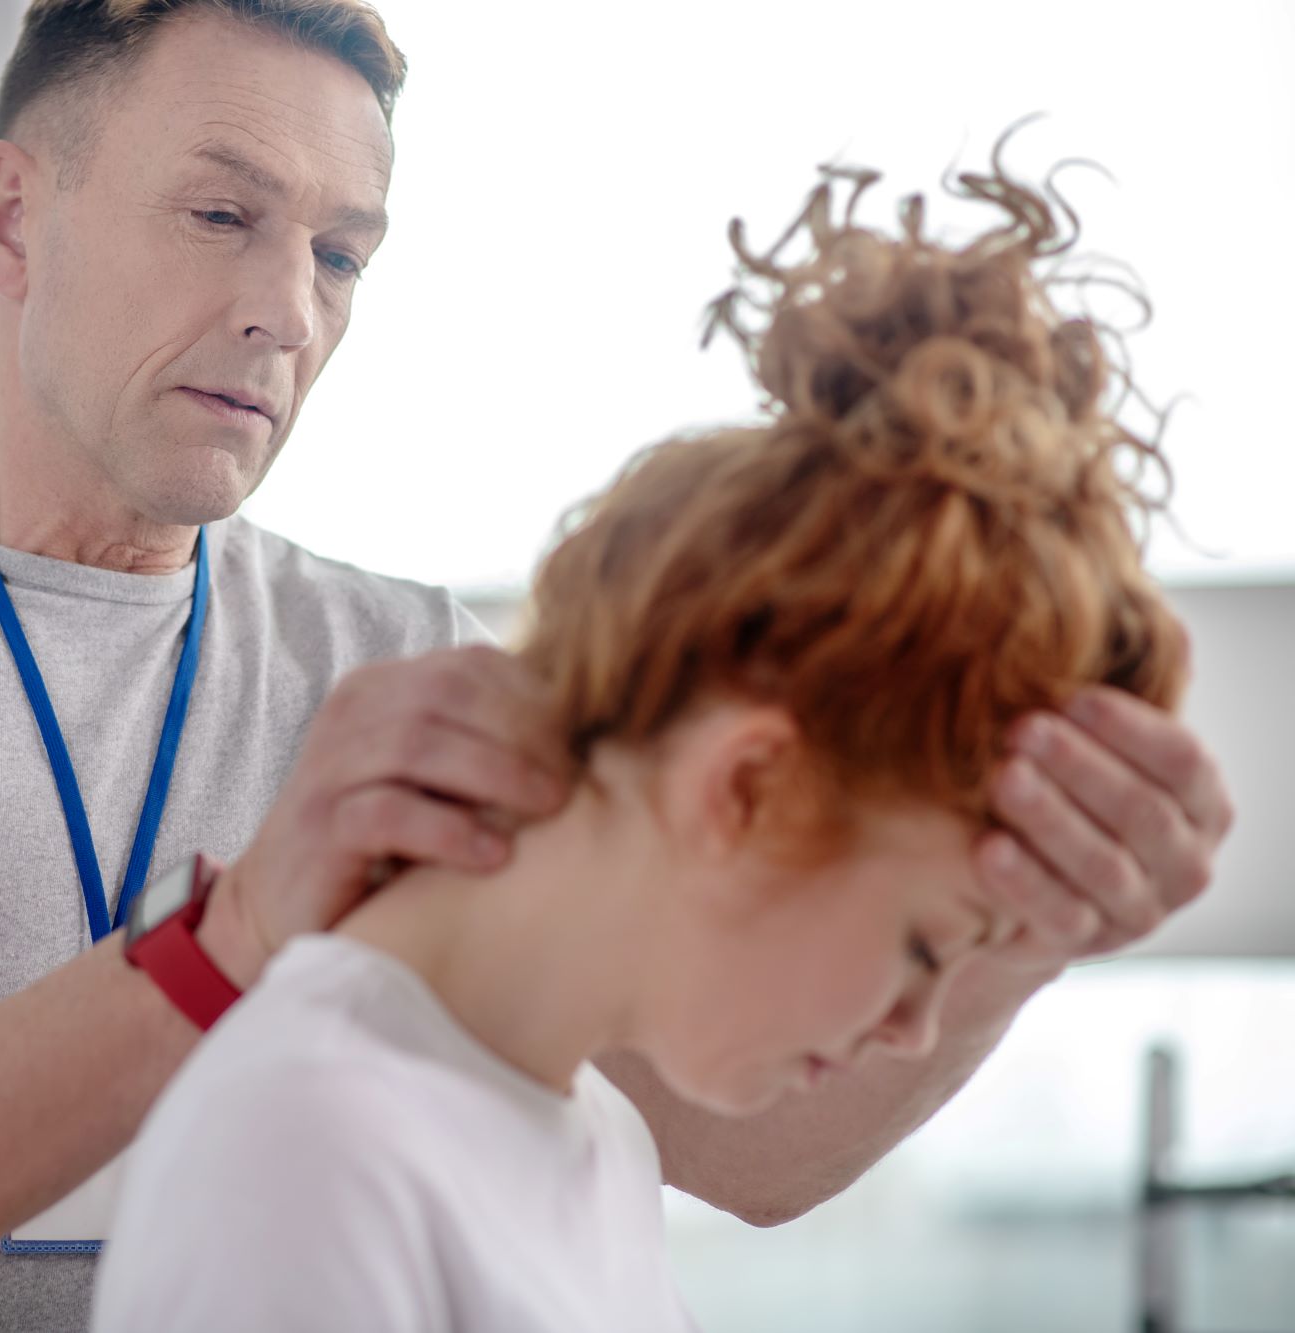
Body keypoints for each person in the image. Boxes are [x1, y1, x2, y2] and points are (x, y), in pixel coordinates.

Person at [0, 2, 1232, 1328]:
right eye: (222, 215)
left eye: (341, 252)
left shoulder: (403, 659)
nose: (290, 310)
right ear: (17, 221)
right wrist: (233, 940)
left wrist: (1023, 924)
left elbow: (725, 1124)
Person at [91, 143, 1190, 1331]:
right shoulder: (311, 1149)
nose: (913, 1030)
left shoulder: (581, 1133)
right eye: (926, 946)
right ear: (748, 786)